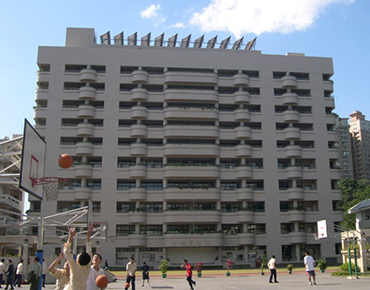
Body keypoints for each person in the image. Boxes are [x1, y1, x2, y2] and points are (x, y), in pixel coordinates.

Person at [63, 226, 93, 290]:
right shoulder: (88, 267)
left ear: (78, 260)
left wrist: (70, 237)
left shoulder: (75, 268)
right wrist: (88, 235)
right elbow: (89, 250)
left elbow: (67, 252)